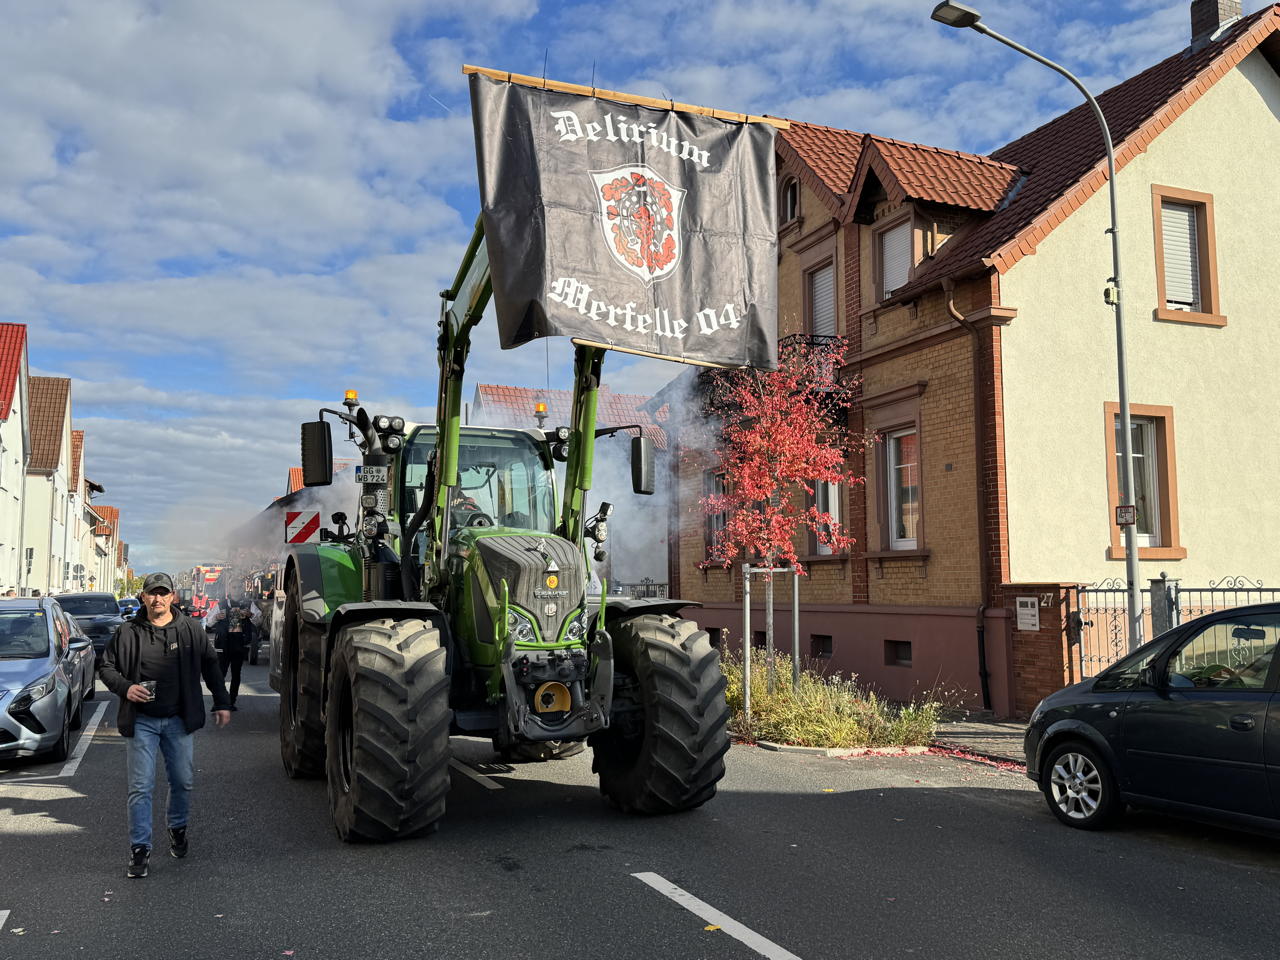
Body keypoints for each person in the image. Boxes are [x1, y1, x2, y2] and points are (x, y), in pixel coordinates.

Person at [99, 572, 231, 879]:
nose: (157, 599)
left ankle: (177, 827)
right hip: (142, 719)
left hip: (177, 719)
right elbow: (106, 666)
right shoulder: (128, 631)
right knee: (140, 787)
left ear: (173, 596)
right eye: (151, 594)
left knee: (183, 780)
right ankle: (139, 849)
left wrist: (222, 702)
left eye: (163, 593)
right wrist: (125, 688)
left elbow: (210, 664)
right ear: (143, 597)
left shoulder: (190, 630)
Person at [212, 602, 250, 708]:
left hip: (239, 645)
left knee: (236, 675)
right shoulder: (220, 605)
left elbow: (259, 620)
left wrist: (250, 615)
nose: (236, 590)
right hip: (223, 645)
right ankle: (219, 701)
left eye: (239, 587)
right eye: (234, 587)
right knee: (220, 674)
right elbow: (209, 622)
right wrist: (216, 617)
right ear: (229, 588)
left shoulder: (247, 604)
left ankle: (231, 702)